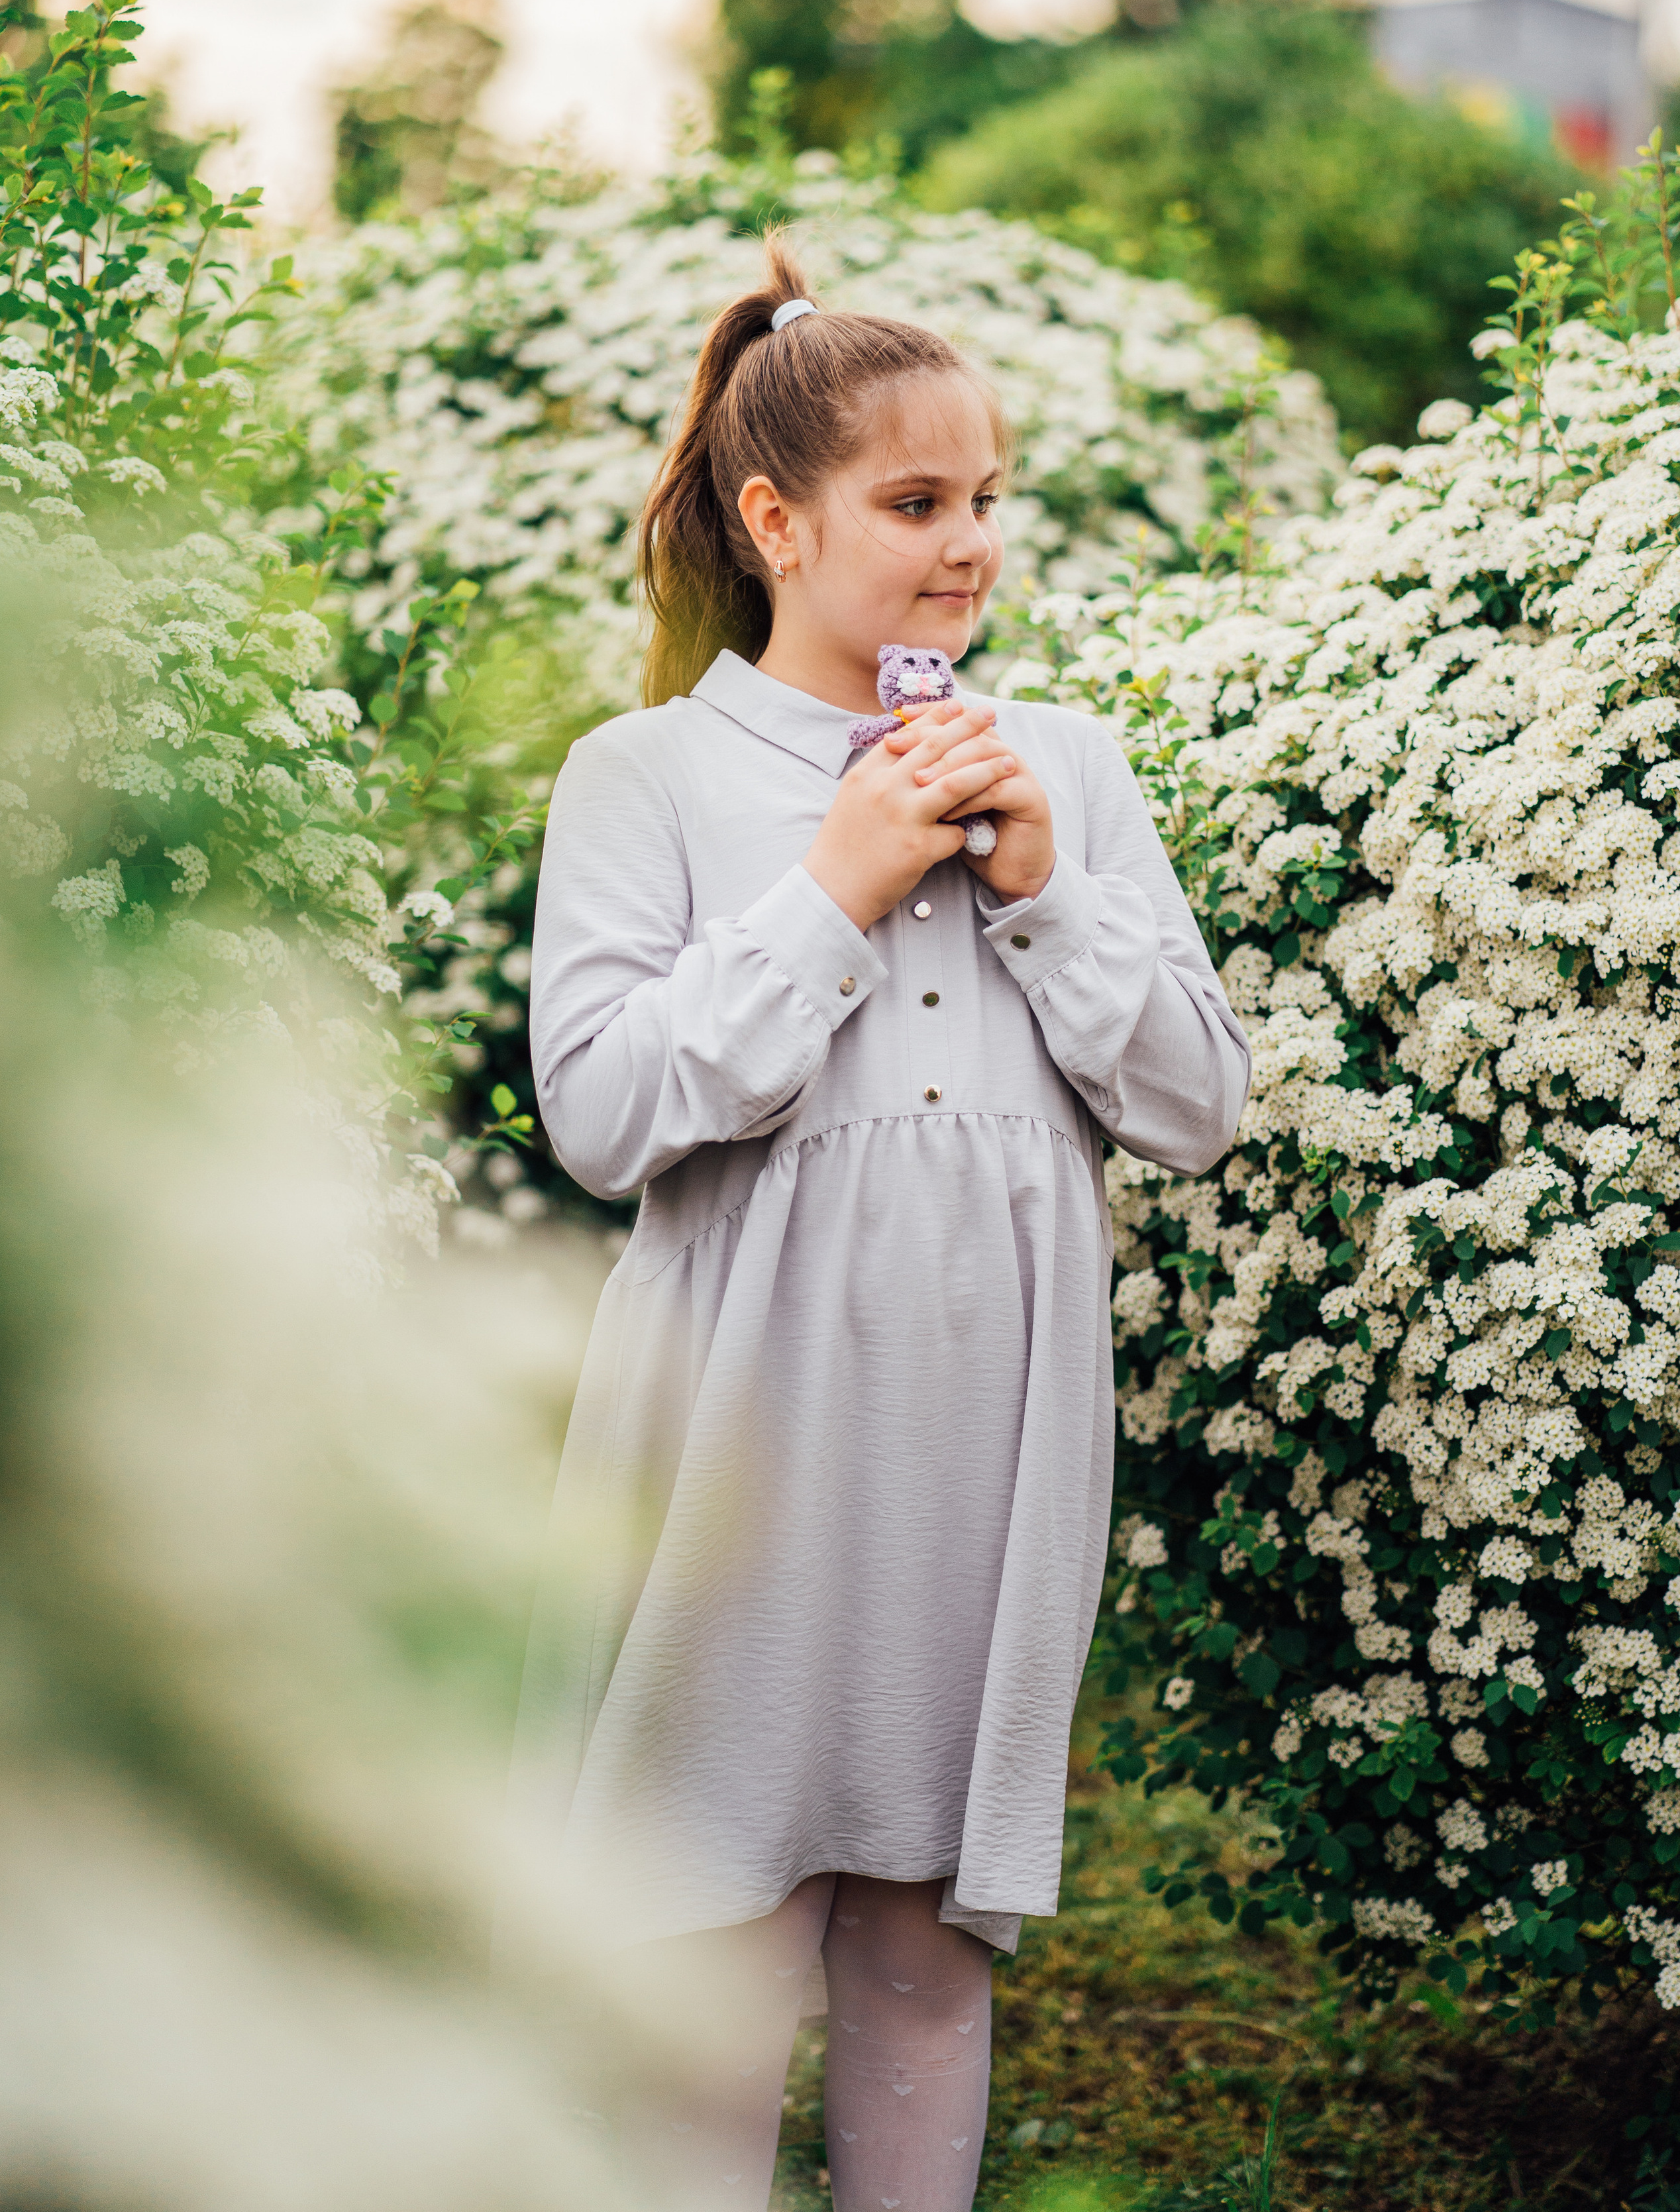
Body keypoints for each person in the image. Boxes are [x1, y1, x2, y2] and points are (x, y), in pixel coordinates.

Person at [517, 239, 1251, 2210]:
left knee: (926, 1941)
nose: (968, 545)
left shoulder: (1067, 772)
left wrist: (1041, 888)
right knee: (717, 1940)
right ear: (776, 519)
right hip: (739, 1444)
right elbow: (602, 1115)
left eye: (987, 500)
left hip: (983, 1445)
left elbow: (1193, 1102)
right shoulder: (648, 777)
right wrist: (832, 889)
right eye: (917, 502)